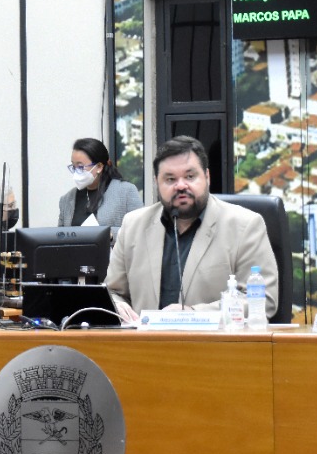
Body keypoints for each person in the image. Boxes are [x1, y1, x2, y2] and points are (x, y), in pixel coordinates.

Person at [105, 135, 277, 323]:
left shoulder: (245, 225)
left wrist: (193, 314)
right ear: (156, 183)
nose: (180, 186)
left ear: (207, 177)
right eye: (170, 179)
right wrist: (115, 304)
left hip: (215, 348)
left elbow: (263, 301)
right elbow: (113, 291)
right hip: (145, 349)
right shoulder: (133, 225)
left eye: (190, 176)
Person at [59, 138, 141, 229]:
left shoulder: (126, 192)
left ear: (99, 167)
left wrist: (109, 234)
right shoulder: (66, 199)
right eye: (74, 167)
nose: (76, 171)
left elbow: (140, 230)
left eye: (80, 166)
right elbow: (60, 237)